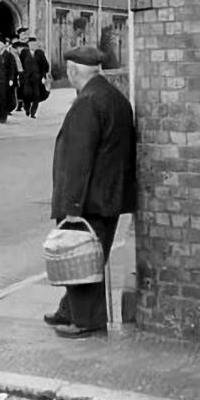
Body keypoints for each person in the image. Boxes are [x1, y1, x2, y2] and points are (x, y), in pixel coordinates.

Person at [46, 46, 136, 339]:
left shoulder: (87, 102)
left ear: (73, 72)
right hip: (108, 194)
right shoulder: (113, 96)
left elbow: (78, 158)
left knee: (83, 255)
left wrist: (71, 204)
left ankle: (86, 319)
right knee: (89, 254)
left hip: (90, 198)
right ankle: (69, 309)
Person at [0, 33, 17, 123]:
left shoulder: (8, 55)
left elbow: (12, 68)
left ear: (1, 46)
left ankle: (3, 116)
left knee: (3, 99)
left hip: (4, 81)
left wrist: (11, 79)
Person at [20, 35, 50, 118]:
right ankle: (27, 108)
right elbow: (20, 64)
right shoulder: (24, 53)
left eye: (34, 44)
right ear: (28, 45)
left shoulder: (40, 53)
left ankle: (33, 113)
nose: (33, 46)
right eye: (31, 44)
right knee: (26, 94)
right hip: (27, 78)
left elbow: (45, 66)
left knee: (36, 95)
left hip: (37, 78)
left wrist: (43, 76)